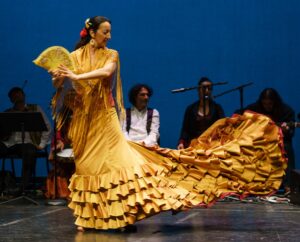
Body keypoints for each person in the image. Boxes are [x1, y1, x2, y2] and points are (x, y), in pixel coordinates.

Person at [38, 16, 286, 232]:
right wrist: (58, 78)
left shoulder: (111, 54)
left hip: (105, 118)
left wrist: (76, 76)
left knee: (119, 164)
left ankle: (124, 213)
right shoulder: (74, 57)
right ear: (92, 33)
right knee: (87, 167)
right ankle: (86, 217)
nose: (109, 36)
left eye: (110, 32)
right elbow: (61, 86)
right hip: (84, 120)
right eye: (105, 32)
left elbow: (105, 73)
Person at [235, 88, 295, 194]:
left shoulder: (286, 111)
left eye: (270, 104)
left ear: (275, 103)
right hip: (260, 143)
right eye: (265, 104)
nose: (267, 106)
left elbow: (291, 133)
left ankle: (288, 186)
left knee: (287, 148)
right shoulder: (255, 108)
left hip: (278, 143)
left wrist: (285, 130)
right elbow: (240, 115)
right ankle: (249, 185)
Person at [0, 87, 51, 190]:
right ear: (11, 99)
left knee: (29, 151)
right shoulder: (7, 112)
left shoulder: (35, 108)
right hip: (9, 144)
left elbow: (47, 128)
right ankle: (4, 184)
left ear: (24, 95)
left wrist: (41, 145)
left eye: (19, 94)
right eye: (14, 95)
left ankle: (23, 187)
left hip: (28, 143)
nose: (17, 96)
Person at [177, 77, 225, 149]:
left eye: (209, 88)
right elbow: (185, 130)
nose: (206, 91)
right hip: (194, 146)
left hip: (213, 146)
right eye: (204, 88)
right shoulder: (190, 109)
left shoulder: (217, 108)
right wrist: (181, 143)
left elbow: (223, 127)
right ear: (198, 90)